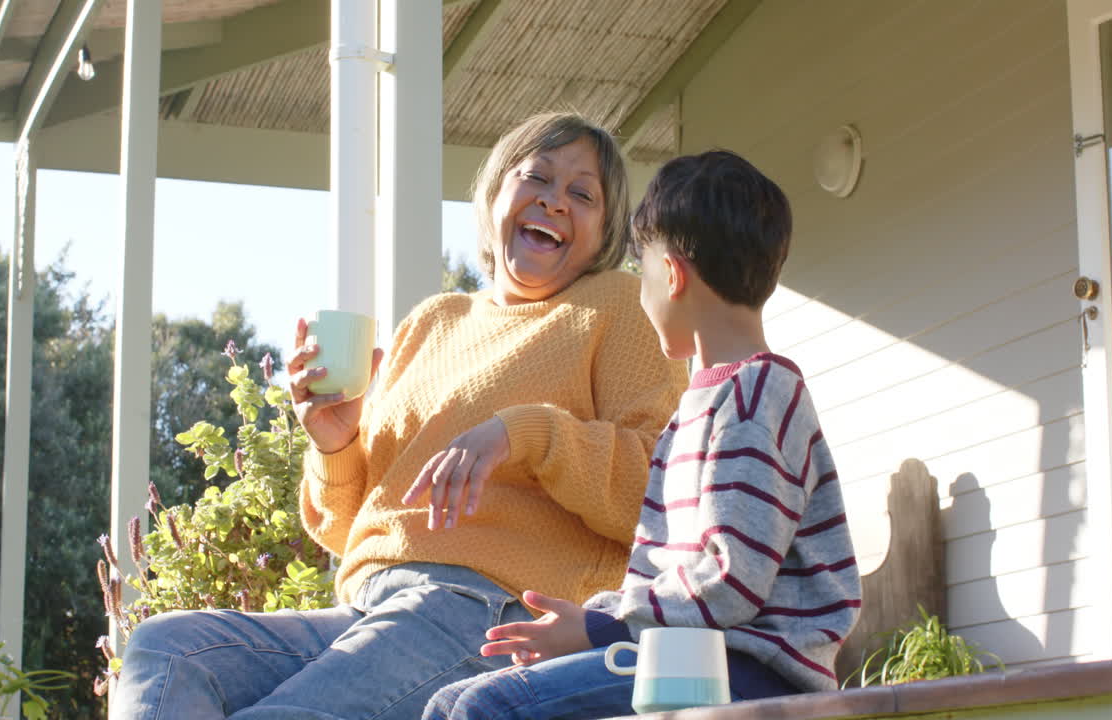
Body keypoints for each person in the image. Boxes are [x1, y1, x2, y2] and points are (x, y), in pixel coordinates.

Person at [110, 112, 686, 719]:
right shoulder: (432, 322)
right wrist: (335, 444)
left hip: (493, 612)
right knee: (166, 649)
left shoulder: (616, 308)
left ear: (606, 233)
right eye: (536, 177)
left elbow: (657, 495)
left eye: (582, 194)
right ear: (496, 194)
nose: (554, 201)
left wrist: (527, 432)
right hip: (370, 605)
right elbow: (344, 526)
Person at [422, 150, 863, 720]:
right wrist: (596, 622)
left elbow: (730, 582)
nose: (641, 293)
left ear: (672, 275)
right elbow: (658, 576)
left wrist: (600, 626)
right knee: (452, 701)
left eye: (642, 273)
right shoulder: (691, 414)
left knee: (490, 708)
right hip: (679, 656)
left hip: (750, 673)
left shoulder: (759, 395)